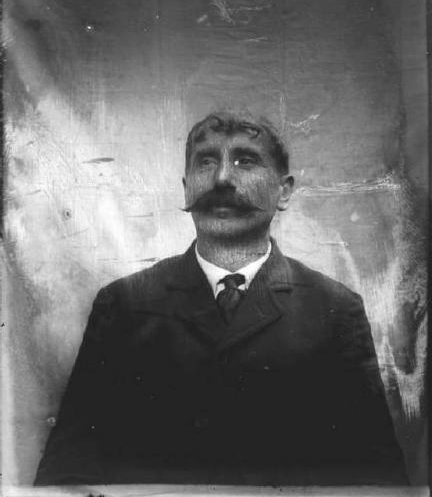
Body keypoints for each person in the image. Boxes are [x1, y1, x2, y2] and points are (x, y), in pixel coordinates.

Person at [35, 110, 408, 486]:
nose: (222, 178)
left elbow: (379, 479)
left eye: (245, 160)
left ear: (283, 191)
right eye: (206, 161)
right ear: (186, 188)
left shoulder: (335, 310)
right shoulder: (122, 305)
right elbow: (65, 473)